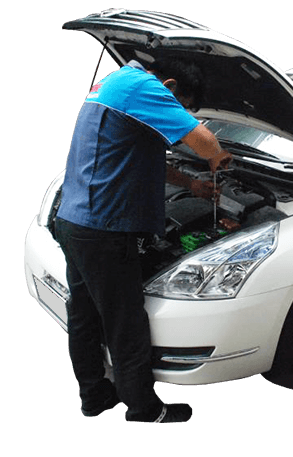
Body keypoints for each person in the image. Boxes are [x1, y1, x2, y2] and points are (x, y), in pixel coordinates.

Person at [55, 56, 231, 423]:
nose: (180, 114)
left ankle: (94, 397)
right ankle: (144, 410)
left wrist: (192, 184)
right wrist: (217, 157)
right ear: (170, 87)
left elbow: (140, 156)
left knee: (84, 315)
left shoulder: (117, 82)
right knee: (126, 322)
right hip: (103, 228)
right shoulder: (144, 87)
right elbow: (204, 141)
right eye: (183, 106)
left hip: (75, 219)